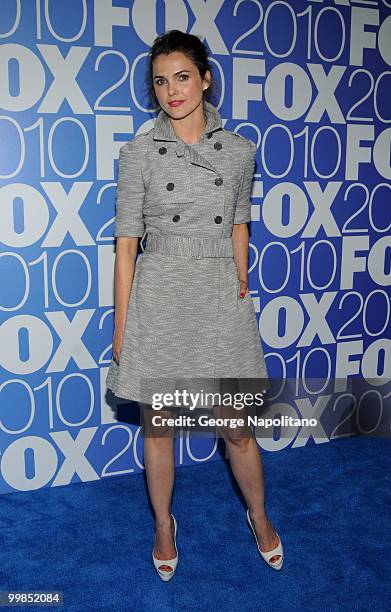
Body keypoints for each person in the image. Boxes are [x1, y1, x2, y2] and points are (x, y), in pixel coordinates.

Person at [105, 30, 284, 581]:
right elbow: (127, 244)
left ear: (206, 79)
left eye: (182, 76)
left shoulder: (240, 151)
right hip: (159, 294)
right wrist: (123, 325)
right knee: (158, 426)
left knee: (237, 428)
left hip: (216, 293)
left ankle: (259, 515)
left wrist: (242, 282)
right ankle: (163, 523)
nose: (171, 90)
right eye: (160, 80)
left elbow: (238, 221)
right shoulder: (138, 153)